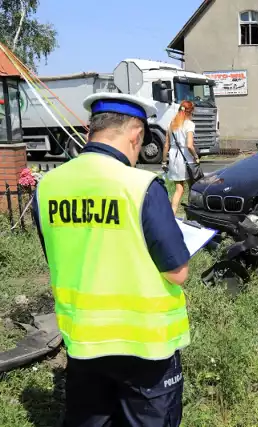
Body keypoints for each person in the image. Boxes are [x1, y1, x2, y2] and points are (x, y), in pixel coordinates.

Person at [32, 92, 192, 426]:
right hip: (145, 346)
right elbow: (178, 272)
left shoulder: (48, 187)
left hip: (84, 341)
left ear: (92, 130)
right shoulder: (141, 186)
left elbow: (58, 254)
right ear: (136, 134)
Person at [162, 100, 200, 215]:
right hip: (186, 158)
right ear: (190, 112)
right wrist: (196, 156)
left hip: (173, 157)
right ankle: (193, 211)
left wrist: (164, 162)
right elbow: (189, 145)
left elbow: (166, 145)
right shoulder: (189, 125)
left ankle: (172, 215)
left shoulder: (171, 124)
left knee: (179, 189)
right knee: (193, 187)